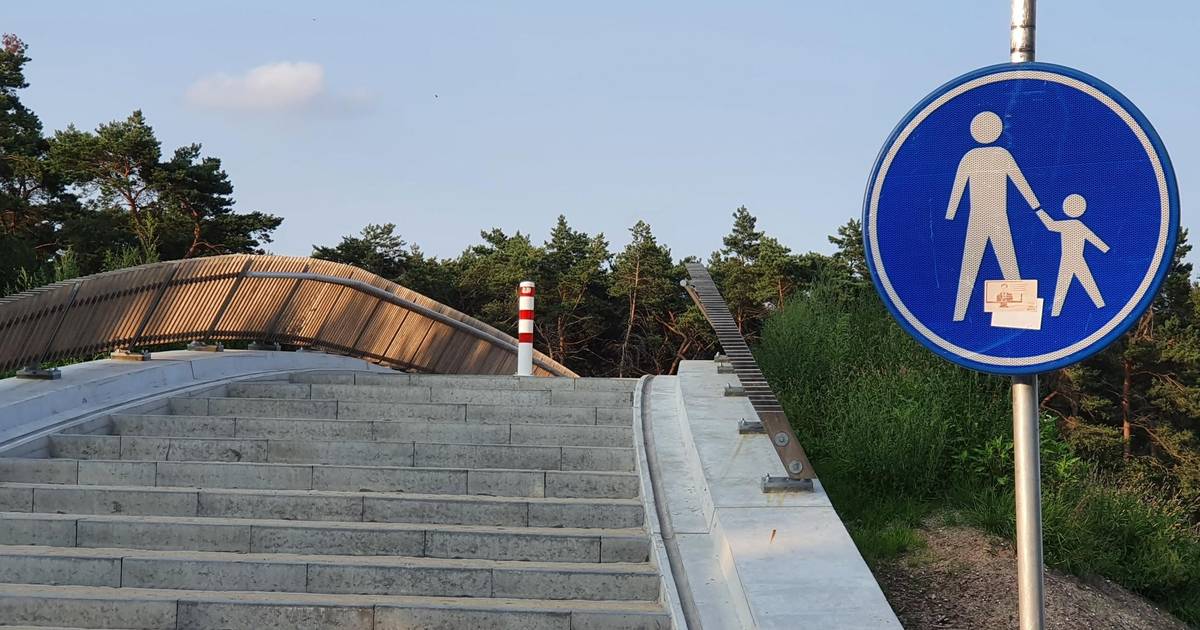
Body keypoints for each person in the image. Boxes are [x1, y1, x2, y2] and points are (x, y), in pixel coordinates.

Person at [946, 111, 1041, 321]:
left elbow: (1019, 181)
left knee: (979, 265)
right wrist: (1036, 207)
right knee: (1003, 264)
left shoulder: (973, 157)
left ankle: (960, 316)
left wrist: (950, 214)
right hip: (991, 217)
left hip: (985, 217)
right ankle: (961, 315)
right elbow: (1020, 183)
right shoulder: (999, 155)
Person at [1036, 194, 1109, 316]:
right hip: (1073, 258)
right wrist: (1104, 249)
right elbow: (1093, 238)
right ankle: (1100, 306)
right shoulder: (1077, 225)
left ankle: (1056, 312)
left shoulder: (1072, 225)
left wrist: (1039, 211)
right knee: (1081, 283)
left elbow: (1050, 224)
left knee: (1065, 285)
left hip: (1072, 259)